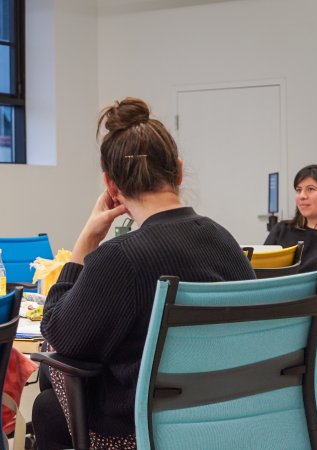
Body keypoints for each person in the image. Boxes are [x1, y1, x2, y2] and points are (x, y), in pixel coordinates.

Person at [33, 97, 255, 449]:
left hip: (144, 432)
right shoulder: (223, 240)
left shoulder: (120, 258)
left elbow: (59, 333)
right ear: (178, 171)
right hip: (225, 423)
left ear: (110, 186)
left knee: (50, 381)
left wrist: (85, 240)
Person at [265, 164, 317, 273]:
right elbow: (261, 272)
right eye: (299, 190)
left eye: (310, 189)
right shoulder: (281, 230)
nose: (302, 196)